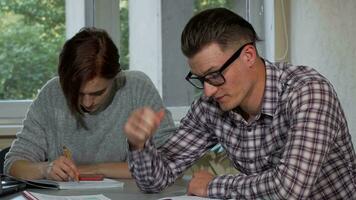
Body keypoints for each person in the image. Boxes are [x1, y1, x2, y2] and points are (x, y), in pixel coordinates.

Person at [124, 8, 356, 199]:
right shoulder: (209, 108)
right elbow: (155, 181)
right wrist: (139, 145)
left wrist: (213, 186)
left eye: (215, 74)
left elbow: (289, 190)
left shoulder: (308, 92)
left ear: (248, 56)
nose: (208, 90)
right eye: (201, 78)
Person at [4, 27, 175, 181]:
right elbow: (14, 164)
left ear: (116, 77)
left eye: (98, 93)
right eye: (77, 93)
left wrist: (93, 169)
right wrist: (44, 169)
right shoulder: (52, 94)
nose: (87, 103)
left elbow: (172, 162)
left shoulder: (137, 88)